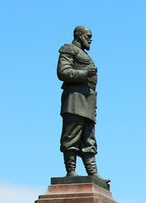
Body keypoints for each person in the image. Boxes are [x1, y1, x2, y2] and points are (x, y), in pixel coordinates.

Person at [57, 26, 107, 182]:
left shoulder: (85, 55)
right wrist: (85, 74)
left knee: (89, 138)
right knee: (71, 135)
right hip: (74, 99)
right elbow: (62, 72)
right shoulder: (68, 49)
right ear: (79, 36)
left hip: (89, 100)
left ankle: (92, 172)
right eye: (88, 35)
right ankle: (70, 171)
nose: (90, 39)